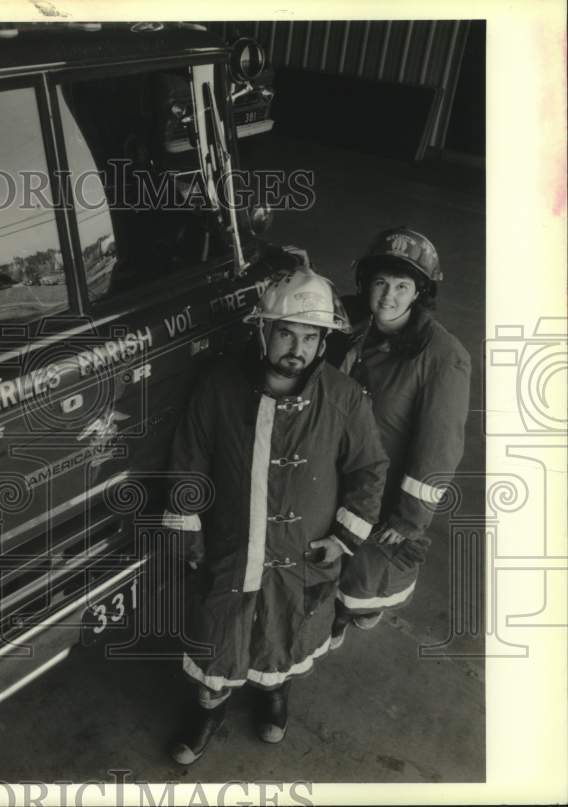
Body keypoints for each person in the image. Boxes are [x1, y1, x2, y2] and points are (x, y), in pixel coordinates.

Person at [163, 255, 388, 764]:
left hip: (302, 550)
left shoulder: (344, 397)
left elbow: (370, 469)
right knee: (221, 635)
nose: (298, 350)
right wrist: (189, 534)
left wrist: (344, 537)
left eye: (311, 338)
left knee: (286, 630)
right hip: (232, 547)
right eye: (288, 334)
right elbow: (188, 462)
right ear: (264, 331)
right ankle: (209, 706)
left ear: (323, 342)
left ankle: (275, 692)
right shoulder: (219, 385)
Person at [329, 227, 471, 648]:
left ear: (419, 293)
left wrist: (410, 517)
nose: (387, 296)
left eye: (401, 286)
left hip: (386, 489)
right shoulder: (350, 324)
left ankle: (349, 611)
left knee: (367, 568)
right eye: (380, 283)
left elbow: (439, 446)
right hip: (339, 469)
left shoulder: (443, 357)